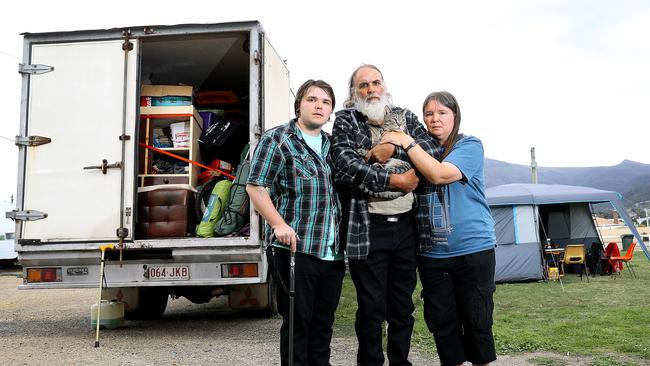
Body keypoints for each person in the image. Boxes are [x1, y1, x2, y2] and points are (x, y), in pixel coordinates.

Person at [331, 64, 438, 366]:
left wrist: (393, 147)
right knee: (371, 308)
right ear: (354, 93)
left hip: (406, 226)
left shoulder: (406, 117)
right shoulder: (346, 121)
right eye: (363, 85)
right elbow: (344, 164)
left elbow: (431, 148)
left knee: (402, 307)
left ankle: (400, 362)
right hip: (368, 228)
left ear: (384, 86)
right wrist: (395, 181)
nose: (371, 89)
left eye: (376, 82)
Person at [381, 91, 497, 366]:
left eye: (442, 113)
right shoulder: (419, 150)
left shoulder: (469, 145)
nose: (435, 119)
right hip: (432, 254)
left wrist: (405, 141)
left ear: (455, 116)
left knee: (478, 323)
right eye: (429, 114)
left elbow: (439, 174)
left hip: (473, 248)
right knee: (443, 327)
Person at [246, 79, 344, 366]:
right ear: (299, 104)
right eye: (312, 99)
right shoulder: (278, 139)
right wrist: (278, 224)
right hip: (295, 248)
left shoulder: (333, 146)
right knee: (298, 324)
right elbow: (256, 186)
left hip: (332, 252)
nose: (319, 106)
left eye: (326, 102)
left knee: (323, 325)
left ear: (330, 112)